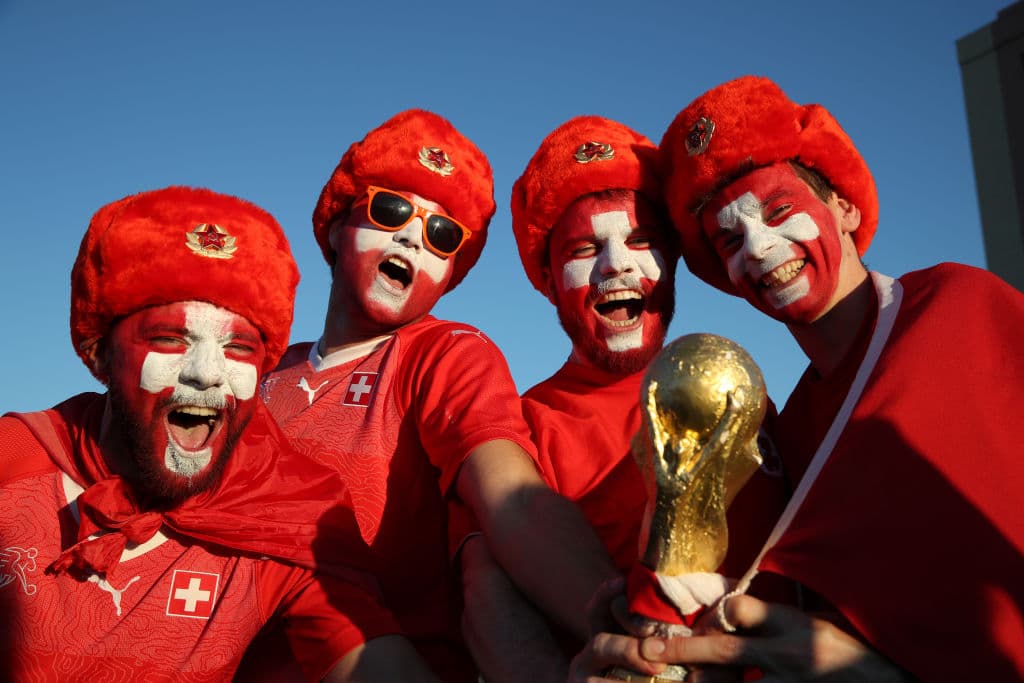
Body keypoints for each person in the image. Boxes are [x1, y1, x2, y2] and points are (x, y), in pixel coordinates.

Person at [579, 75, 1024, 681]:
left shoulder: (959, 306)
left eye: (780, 212)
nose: (759, 250)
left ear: (842, 205)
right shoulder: (785, 431)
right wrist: (667, 600)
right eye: (729, 240)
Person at [0, 186, 441, 681]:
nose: (207, 373)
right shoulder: (14, 458)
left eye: (239, 348)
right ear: (100, 352)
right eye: (170, 339)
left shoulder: (284, 516)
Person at [257, 109, 620, 682]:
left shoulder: (447, 354)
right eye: (391, 208)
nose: (411, 234)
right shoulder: (257, 374)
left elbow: (514, 501)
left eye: (442, 234)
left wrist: (623, 629)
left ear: (450, 274)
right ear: (334, 225)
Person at [459, 116, 792, 682]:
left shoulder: (743, 388)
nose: (617, 264)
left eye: (641, 242)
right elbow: (484, 602)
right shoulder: (516, 430)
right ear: (547, 277)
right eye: (586, 248)